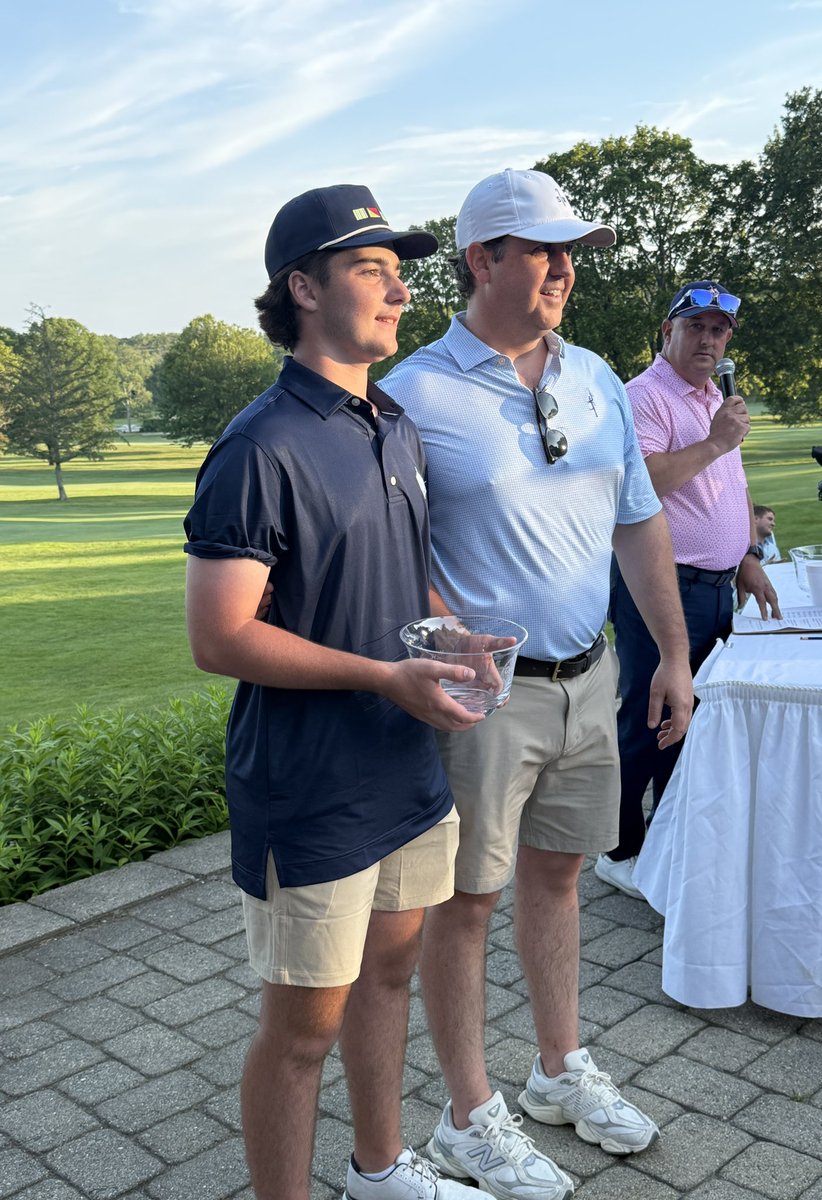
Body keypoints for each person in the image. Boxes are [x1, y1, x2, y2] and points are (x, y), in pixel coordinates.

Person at [382, 168, 695, 1200]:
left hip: (591, 676)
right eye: (544, 249)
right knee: (466, 903)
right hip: (487, 696)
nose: (564, 268)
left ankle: (559, 1071)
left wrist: (673, 654)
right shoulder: (416, 392)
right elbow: (387, 540)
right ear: (482, 260)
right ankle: (469, 1114)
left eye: (574, 252)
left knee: (557, 876)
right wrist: (446, 626)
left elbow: (637, 520)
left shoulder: (598, 377)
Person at [183, 184, 494, 1200]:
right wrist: (384, 678)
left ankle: (379, 1168)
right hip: (310, 790)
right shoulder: (259, 444)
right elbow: (219, 637)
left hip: (405, 770)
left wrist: (452, 638)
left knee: (392, 978)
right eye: (372, 268)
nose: (401, 288)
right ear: (304, 288)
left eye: (399, 269)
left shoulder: (391, 422)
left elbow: (405, 576)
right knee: (301, 1032)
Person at [594, 281, 781, 901]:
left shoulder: (716, 400)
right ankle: (619, 849)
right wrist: (714, 442)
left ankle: (670, 837)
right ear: (667, 332)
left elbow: (728, 481)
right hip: (661, 582)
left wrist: (749, 553)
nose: (709, 339)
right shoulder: (642, 397)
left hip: (716, 584)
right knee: (648, 717)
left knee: (691, 717)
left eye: (719, 330)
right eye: (696, 326)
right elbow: (638, 480)